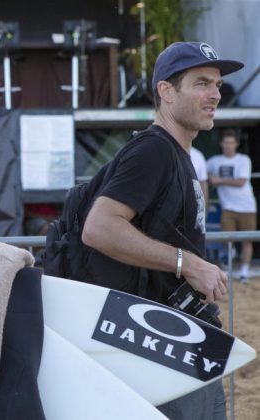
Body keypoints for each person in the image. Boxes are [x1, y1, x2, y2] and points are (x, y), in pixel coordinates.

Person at [81, 41, 242, 419]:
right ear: (166, 92)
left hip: (179, 336)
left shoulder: (177, 153)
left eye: (217, 85)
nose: (215, 95)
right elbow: (99, 226)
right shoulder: (152, 151)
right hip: (155, 346)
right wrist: (189, 263)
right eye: (202, 83)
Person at [207, 129, 257, 283]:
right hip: (227, 207)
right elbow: (202, 170)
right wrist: (210, 178)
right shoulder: (214, 160)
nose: (228, 145)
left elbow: (241, 181)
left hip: (247, 206)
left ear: (236, 144)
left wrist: (218, 180)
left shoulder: (243, 159)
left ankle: (244, 272)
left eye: (231, 142)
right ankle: (230, 264)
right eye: (226, 142)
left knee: (247, 240)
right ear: (221, 144)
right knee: (226, 240)